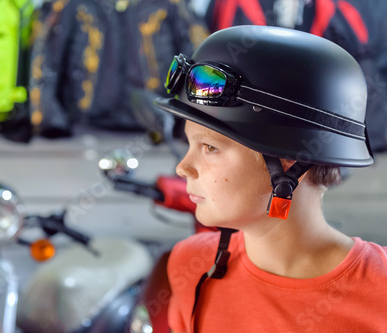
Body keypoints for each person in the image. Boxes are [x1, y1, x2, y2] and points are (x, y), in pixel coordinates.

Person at [154, 25, 387, 332]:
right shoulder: (190, 264)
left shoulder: (379, 290)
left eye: (210, 147)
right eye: (189, 143)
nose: (183, 167)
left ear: (289, 162)